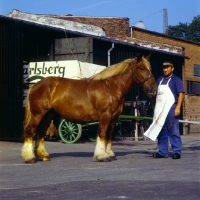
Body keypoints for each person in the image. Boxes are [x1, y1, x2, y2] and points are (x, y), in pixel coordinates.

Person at [152, 62, 185, 159]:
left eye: (167, 68)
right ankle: (162, 152)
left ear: (172, 68)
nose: (165, 70)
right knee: (161, 130)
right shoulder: (160, 80)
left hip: (171, 107)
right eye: (164, 68)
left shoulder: (176, 80)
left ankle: (177, 151)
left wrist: (178, 107)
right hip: (160, 108)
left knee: (173, 130)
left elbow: (181, 94)